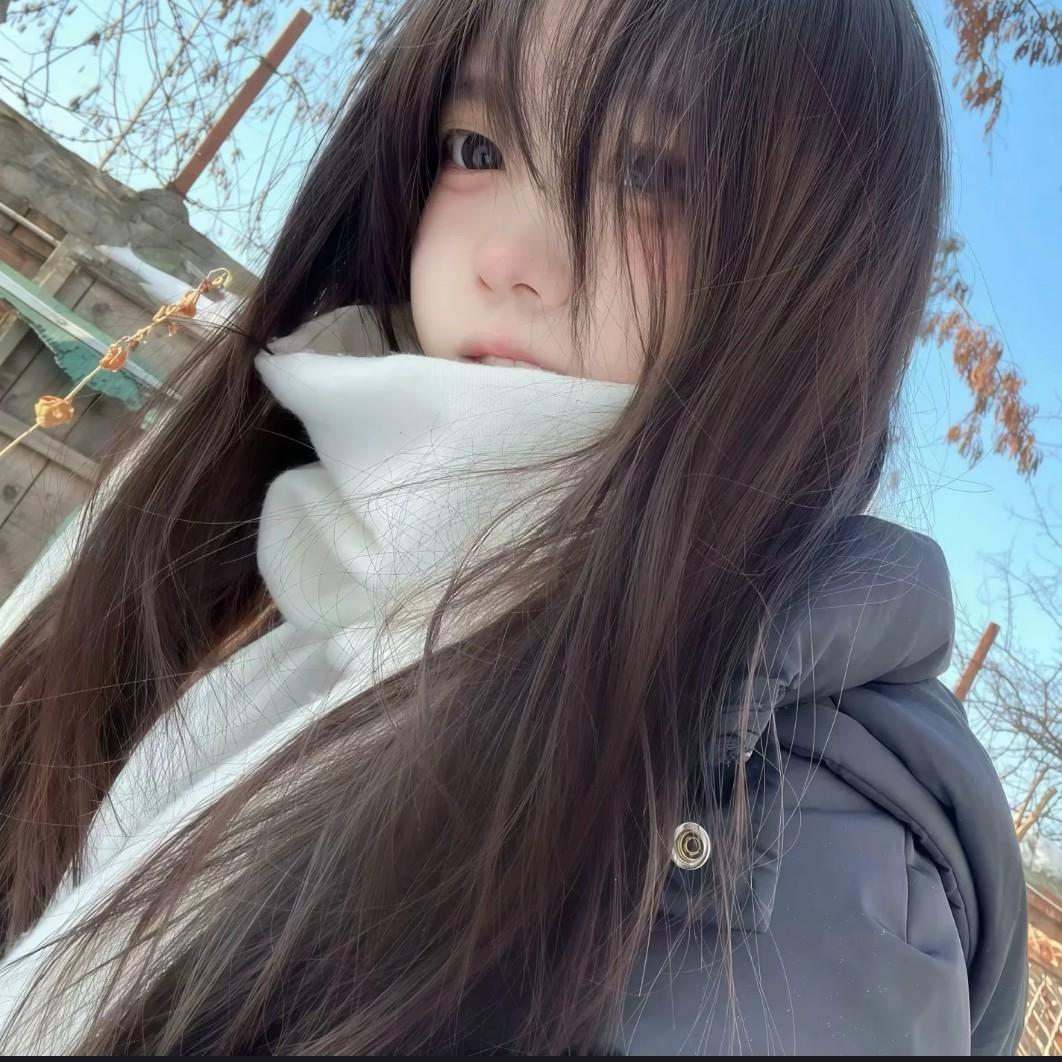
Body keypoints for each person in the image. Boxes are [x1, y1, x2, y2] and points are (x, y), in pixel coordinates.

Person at [0, 0, 1027, 1053]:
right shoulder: (269, 540)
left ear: (820, 287)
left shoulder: (810, 865)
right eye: (477, 149)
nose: (504, 256)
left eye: (652, 176)